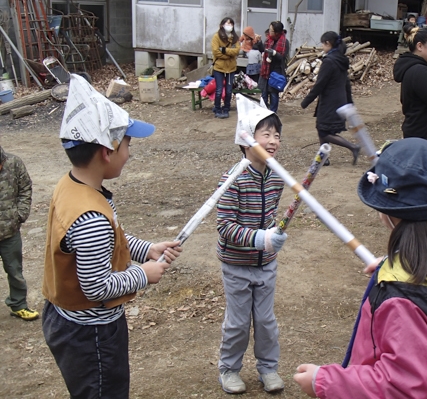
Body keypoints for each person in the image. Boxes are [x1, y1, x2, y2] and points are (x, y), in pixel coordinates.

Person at [294, 138, 427, 398]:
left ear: (389, 212)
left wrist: (324, 381)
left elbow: (400, 386)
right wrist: (393, 263)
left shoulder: (401, 299)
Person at [41, 74, 182, 398]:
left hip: (68, 318)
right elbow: (97, 287)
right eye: (128, 143)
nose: (130, 152)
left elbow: (109, 239)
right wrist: (142, 274)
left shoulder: (74, 186)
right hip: (90, 334)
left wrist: (146, 249)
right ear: (107, 151)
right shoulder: (91, 216)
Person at [217, 99, 287, 394]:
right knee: (237, 323)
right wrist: (260, 238)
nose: (273, 141)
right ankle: (229, 369)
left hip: (266, 264)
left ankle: (268, 368)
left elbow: (270, 214)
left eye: (277, 135)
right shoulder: (232, 180)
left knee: (266, 321)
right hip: (236, 266)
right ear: (246, 139)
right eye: (266, 134)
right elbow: (225, 227)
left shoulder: (276, 178)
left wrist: (274, 234)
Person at [301, 31, 360, 166]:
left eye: (323, 44)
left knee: (323, 131)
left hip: (329, 102)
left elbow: (320, 84)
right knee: (323, 128)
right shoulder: (341, 60)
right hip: (340, 101)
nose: (322, 47)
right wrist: (349, 101)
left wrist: (306, 101)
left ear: (328, 43)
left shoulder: (329, 61)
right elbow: (346, 84)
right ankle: (324, 158)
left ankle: (353, 147)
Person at [0, 145, 39, 321]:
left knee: (15, 270)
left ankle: (18, 305)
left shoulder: (14, 163)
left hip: (10, 231)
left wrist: (20, 215)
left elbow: (25, 188)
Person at [211, 17, 241, 119]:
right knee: (219, 90)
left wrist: (224, 50)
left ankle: (226, 107)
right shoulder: (216, 37)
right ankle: (217, 108)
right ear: (222, 25)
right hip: (219, 67)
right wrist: (229, 54)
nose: (229, 26)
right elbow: (216, 52)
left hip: (231, 68)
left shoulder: (235, 38)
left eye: (231, 24)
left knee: (229, 90)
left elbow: (236, 51)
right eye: (227, 24)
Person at [259, 21, 287, 113]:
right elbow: (263, 49)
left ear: (277, 32)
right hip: (266, 70)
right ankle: (263, 111)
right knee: (264, 92)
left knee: (274, 93)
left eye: (271, 30)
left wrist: (274, 54)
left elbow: (282, 57)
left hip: (276, 71)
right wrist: (259, 43)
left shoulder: (284, 42)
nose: (269, 32)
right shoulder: (268, 40)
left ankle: (272, 113)